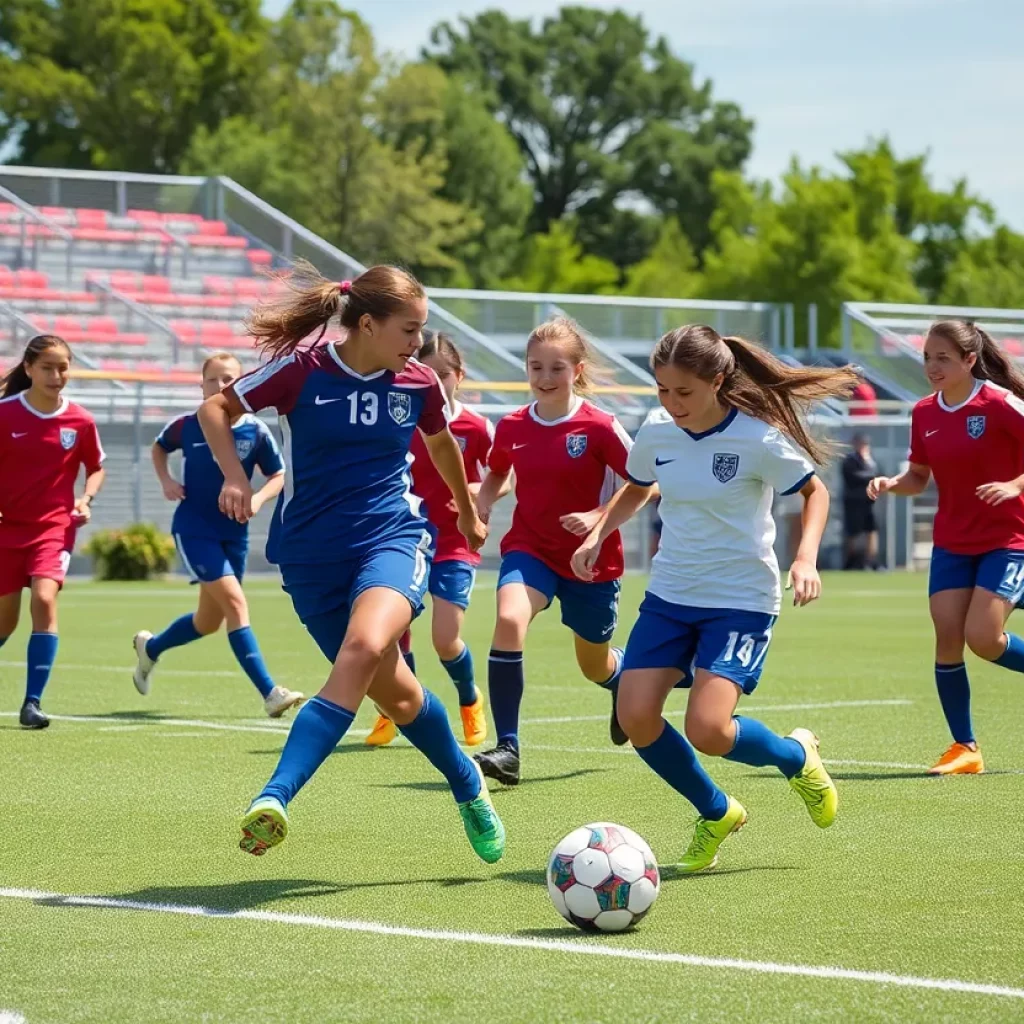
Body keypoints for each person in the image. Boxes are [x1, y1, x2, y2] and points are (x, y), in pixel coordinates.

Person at [197, 261, 504, 863]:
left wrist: (466, 513)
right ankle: (468, 782)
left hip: (393, 537)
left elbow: (441, 444)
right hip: (311, 558)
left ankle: (274, 797)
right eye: (409, 330)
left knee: (360, 650)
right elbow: (215, 410)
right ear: (367, 324)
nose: (419, 345)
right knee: (400, 696)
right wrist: (234, 476)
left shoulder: (418, 382)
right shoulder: (302, 371)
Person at [572, 324, 856, 873]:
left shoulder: (757, 437)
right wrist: (599, 531)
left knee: (708, 729)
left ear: (718, 381)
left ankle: (796, 756)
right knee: (635, 716)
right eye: (662, 390)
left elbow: (814, 492)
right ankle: (716, 810)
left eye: (684, 392)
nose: (671, 403)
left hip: (740, 600)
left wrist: (804, 559)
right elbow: (636, 484)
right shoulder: (657, 429)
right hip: (671, 593)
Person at [472, 317, 634, 788]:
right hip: (531, 548)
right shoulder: (513, 426)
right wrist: (481, 503)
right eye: (535, 366)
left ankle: (620, 679)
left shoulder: (601, 427)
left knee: (594, 666)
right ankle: (508, 748)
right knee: (508, 620)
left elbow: (646, 485)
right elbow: (499, 473)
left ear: (577, 370)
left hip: (591, 560)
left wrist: (597, 520)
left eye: (556, 368)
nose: (545, 377)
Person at [868, 320, 1024, 776]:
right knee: (948, 637)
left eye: (943, 358)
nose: (932, 367)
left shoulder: (998, 403)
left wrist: (1015, 485)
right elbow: (918, 478)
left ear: (970, 360)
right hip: (953, 543)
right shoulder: (924, 412)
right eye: (927, 357)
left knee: (984, 638)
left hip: (1008, 539)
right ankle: (965, 748)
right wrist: (891, 483)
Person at [131, 352, 302, 717]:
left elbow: (279, 475)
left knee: (208, 622)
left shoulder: (256, 431)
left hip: (234, 533)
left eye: (229, 379)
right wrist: (166, 481)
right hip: (195, 530)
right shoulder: (187, 425)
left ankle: (151, 648)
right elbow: (159, 448)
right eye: (214, 380)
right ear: (202, 385)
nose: (221, 386)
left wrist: (257, 499)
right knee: (237, 605)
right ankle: (270, 692)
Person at [366, 331, 495, 748]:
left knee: (444, 637)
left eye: (445, 375)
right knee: (394, 632)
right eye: (429, 374)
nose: (437, 383)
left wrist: (480, 493)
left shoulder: (475, 426)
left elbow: (502, 473)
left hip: (456, 542)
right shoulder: (402, 417)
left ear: (460, 375)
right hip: (407, 536)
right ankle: (395, 709)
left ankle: (469, 698)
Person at [0, 335, 105, 729]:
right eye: (47, 367)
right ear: (28, 369)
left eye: (62, 367)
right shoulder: (5, 414)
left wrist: (85, 499)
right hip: (6, 530)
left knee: (44, 599)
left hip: (54, 529)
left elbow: (95, 467)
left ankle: (32, 703)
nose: (56, 375)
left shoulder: (80, 420)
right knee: (4, 622)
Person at [842, 432, 882, 570]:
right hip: (854, 502)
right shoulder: (849, 460)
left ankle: (871, 560)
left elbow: (878, 474)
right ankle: (853, 560)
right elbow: (853, 477)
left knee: (871, 529)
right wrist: (871, 477)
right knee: (854, 532)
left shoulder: (870, 460)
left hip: (868, 502)